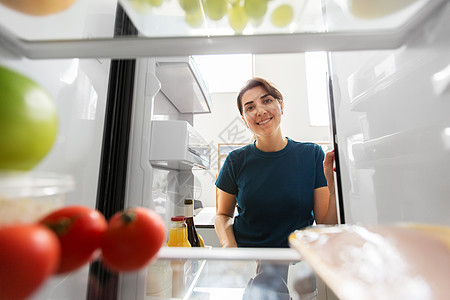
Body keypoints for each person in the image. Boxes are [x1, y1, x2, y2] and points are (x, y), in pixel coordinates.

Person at [214, 77, 337, 249]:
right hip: (251, 261)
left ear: (281, 105)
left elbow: (326, 225)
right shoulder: (235, 161)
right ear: (244, 120)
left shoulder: (312, 154)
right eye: (250, 107)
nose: (260, 110)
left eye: (267, 100)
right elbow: (223, 215)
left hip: (298, 262)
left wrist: (333, 186)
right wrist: (230, 248)